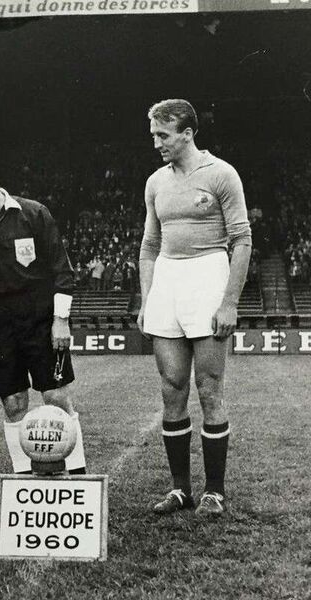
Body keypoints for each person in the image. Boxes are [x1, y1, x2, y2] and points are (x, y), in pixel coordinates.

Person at [138, 100, 251, 517]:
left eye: (163, 135)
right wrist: (148, 297)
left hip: (208, 274)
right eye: (153, 135)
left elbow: (242, 239)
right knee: (172, 387)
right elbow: (149, 246)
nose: (157, 143)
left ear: (187, 133)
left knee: (208, 387)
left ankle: (214, 491)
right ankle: (180, 489)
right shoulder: (155, 182)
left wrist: (229, 302)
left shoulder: (222, 174)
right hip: (168, 278)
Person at [0, 159, 86, 474]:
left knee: (56, 397)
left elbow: (62, 271)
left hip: (39, 317)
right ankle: (23, 475)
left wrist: (60, 320)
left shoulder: (33, 214)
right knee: (13, 402)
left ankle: (77, 474)